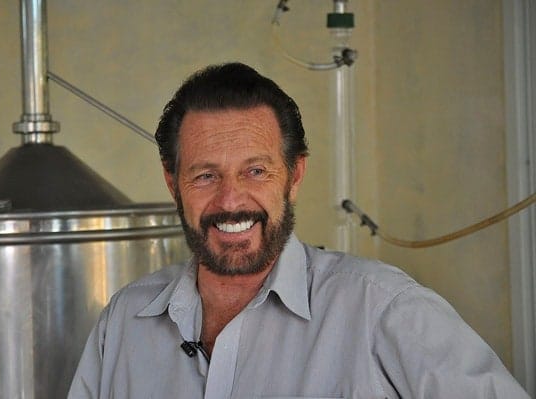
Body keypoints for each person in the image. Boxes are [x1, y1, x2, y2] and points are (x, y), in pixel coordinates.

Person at [68, 62, 529, 398]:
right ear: (173, 182)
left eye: (256, 172)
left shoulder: (387, 311)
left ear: (294, 174)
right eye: (205, 175)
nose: (230, 201)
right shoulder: (123, 325)